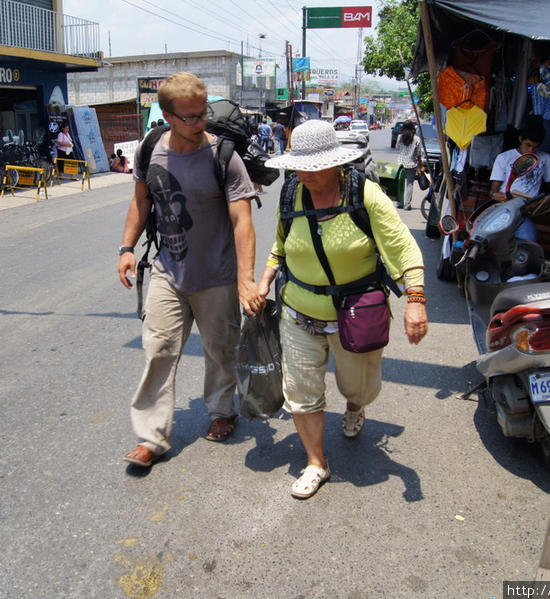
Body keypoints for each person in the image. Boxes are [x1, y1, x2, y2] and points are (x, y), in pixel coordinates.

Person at [256, 119, 428, 499]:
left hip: (355, 314)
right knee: (300, 391)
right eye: (298, 166)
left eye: (314, 167)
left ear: (335, 162)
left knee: (359, 388)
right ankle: (316, 462)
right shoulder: (291, 194)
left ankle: (355, 406)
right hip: (298, 312)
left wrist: (415, 300)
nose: (305, 174)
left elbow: (402, 248)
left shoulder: (365, 195)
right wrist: (265, 280)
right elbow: (281, 246)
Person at [118, 72, 263, 468]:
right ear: (166, 116)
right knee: (158, 350)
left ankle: (221, 410)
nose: (202, 124)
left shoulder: (224, 156)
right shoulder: (149, 149)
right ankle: (152, 437)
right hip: (168, 271)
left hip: (216, 274)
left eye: (204, 114)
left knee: (220, 351)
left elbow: (242, 221)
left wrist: (245, 279)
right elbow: (141, 201)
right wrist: (127, 247)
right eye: (192, 117)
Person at [488, 121, 550, 242]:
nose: (531, 150)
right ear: (520, 138)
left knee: (528, 243)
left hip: (526, 211)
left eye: (536, 146)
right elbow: (493, 189)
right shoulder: (504, 158)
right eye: (528, 145)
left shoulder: (545, 158)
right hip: (504, 208)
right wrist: (495, 195)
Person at [395, 122, 424, 211]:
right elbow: (418, 155)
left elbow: (397, 147)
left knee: (400, 183)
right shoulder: (417, 139)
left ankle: (400, 202)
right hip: (411, 164)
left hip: (400, 164)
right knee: (409, 184)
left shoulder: (400, 137)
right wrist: (421, 166)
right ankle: (407, 205)